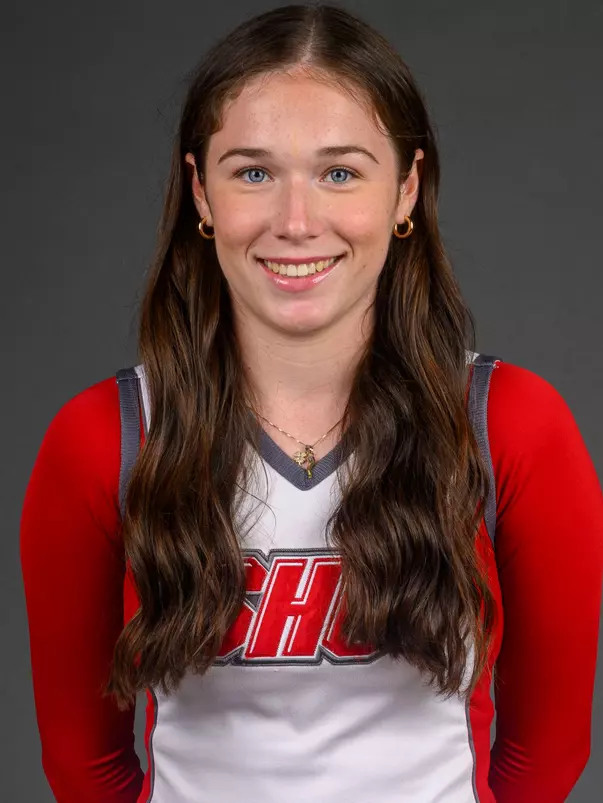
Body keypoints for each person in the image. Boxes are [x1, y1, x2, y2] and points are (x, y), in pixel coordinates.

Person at [20, 3, 603, 802]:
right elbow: (83, 765)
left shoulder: (509, 424)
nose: (295, 222)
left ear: (405, 189)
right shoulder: (106, 437)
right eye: (253, 173)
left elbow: (546, 753)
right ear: (201, 193)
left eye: (339, 173)